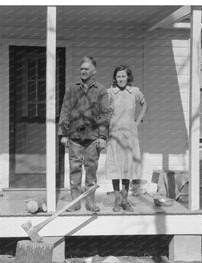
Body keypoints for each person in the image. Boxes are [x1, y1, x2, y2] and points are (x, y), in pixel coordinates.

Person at [58, 56, 111, 212]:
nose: (83, 71)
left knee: (91, 173)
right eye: (81, 69)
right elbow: (65, 111)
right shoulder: (72, 89)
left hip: (93, 139)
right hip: (74, 137)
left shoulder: (101, 91)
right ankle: (74, 203)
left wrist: (102, 137)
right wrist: (63, 134)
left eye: (86, 69)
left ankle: (90, 202)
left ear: (94, 72)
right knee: (74, 171)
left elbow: (105, 115)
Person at [106, 65, 147, 212]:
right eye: (118, 76)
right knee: (116, 167)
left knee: (128, 168)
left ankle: (125, 200)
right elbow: (104, 111)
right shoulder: (110, 92)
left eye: (123, 76)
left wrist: (138, 121)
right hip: (115, 135)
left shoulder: (134, 91)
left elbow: (144, 105)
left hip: (130, 135)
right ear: (115, 78)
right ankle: (117, 201)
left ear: (127, 77)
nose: (121, 79)